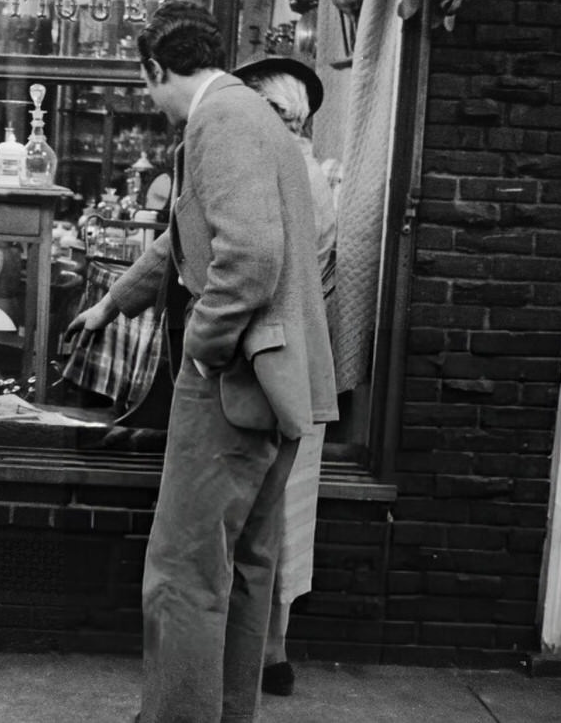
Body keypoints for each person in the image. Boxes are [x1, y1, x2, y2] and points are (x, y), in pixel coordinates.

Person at [63, 0, 336, 723]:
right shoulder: (252, 119)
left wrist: (201, 350)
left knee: (183, 574)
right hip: (281, 384)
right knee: (246, 570)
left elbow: (248, 256)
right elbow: (187, 237)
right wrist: (114, 302)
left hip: (234, 382)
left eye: (146, 85)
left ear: (156, 68)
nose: (150, 103)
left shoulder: (220, 122)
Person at [233, 56, 338, 698]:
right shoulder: (313, 173)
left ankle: (259, 651)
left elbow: (253, 268)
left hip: (269, 359)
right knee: (288, 506)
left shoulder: (276, 168)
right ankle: (272, 649)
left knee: (257, 508)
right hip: (306, 360)